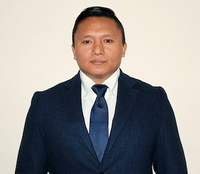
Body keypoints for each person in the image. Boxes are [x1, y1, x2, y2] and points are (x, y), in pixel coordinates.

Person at [15, 6, 187, 174]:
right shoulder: (44, 104)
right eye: (87, 41)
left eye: (108, 40)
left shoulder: (154, 101)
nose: (98, 50)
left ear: (123, 48)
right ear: (74, 50)